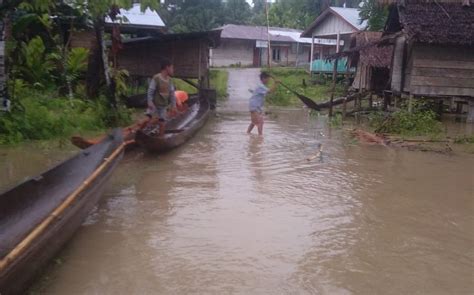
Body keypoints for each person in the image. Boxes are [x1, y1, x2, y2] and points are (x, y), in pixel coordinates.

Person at [147, 58, 177, 136]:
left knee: (162, 123)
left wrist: (173, 106)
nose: (173, 70)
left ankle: (161, 139)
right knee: (148, 119)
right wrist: (150, 102)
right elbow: (150, 91)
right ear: (167, 67)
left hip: (163, 106)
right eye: (172, 68)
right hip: (154, 105)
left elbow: (172, 94)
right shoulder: (156, 78)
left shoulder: (170, 81)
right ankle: (142, 133)